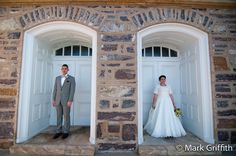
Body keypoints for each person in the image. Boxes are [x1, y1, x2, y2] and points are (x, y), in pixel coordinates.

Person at [52, 64, 76, 139]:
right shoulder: (57, 78)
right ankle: (58, 131)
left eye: (65, 68)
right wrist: (53, 99)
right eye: (63, 69)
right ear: (61, 69)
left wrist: (70, 100)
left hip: (66, 101)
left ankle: (66, 131)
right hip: (57, 100)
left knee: (66, 116)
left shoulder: (71, 79)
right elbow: (55, 89)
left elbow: (72, 91)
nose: (64, 70)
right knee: (58, 116)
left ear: (68, 70)